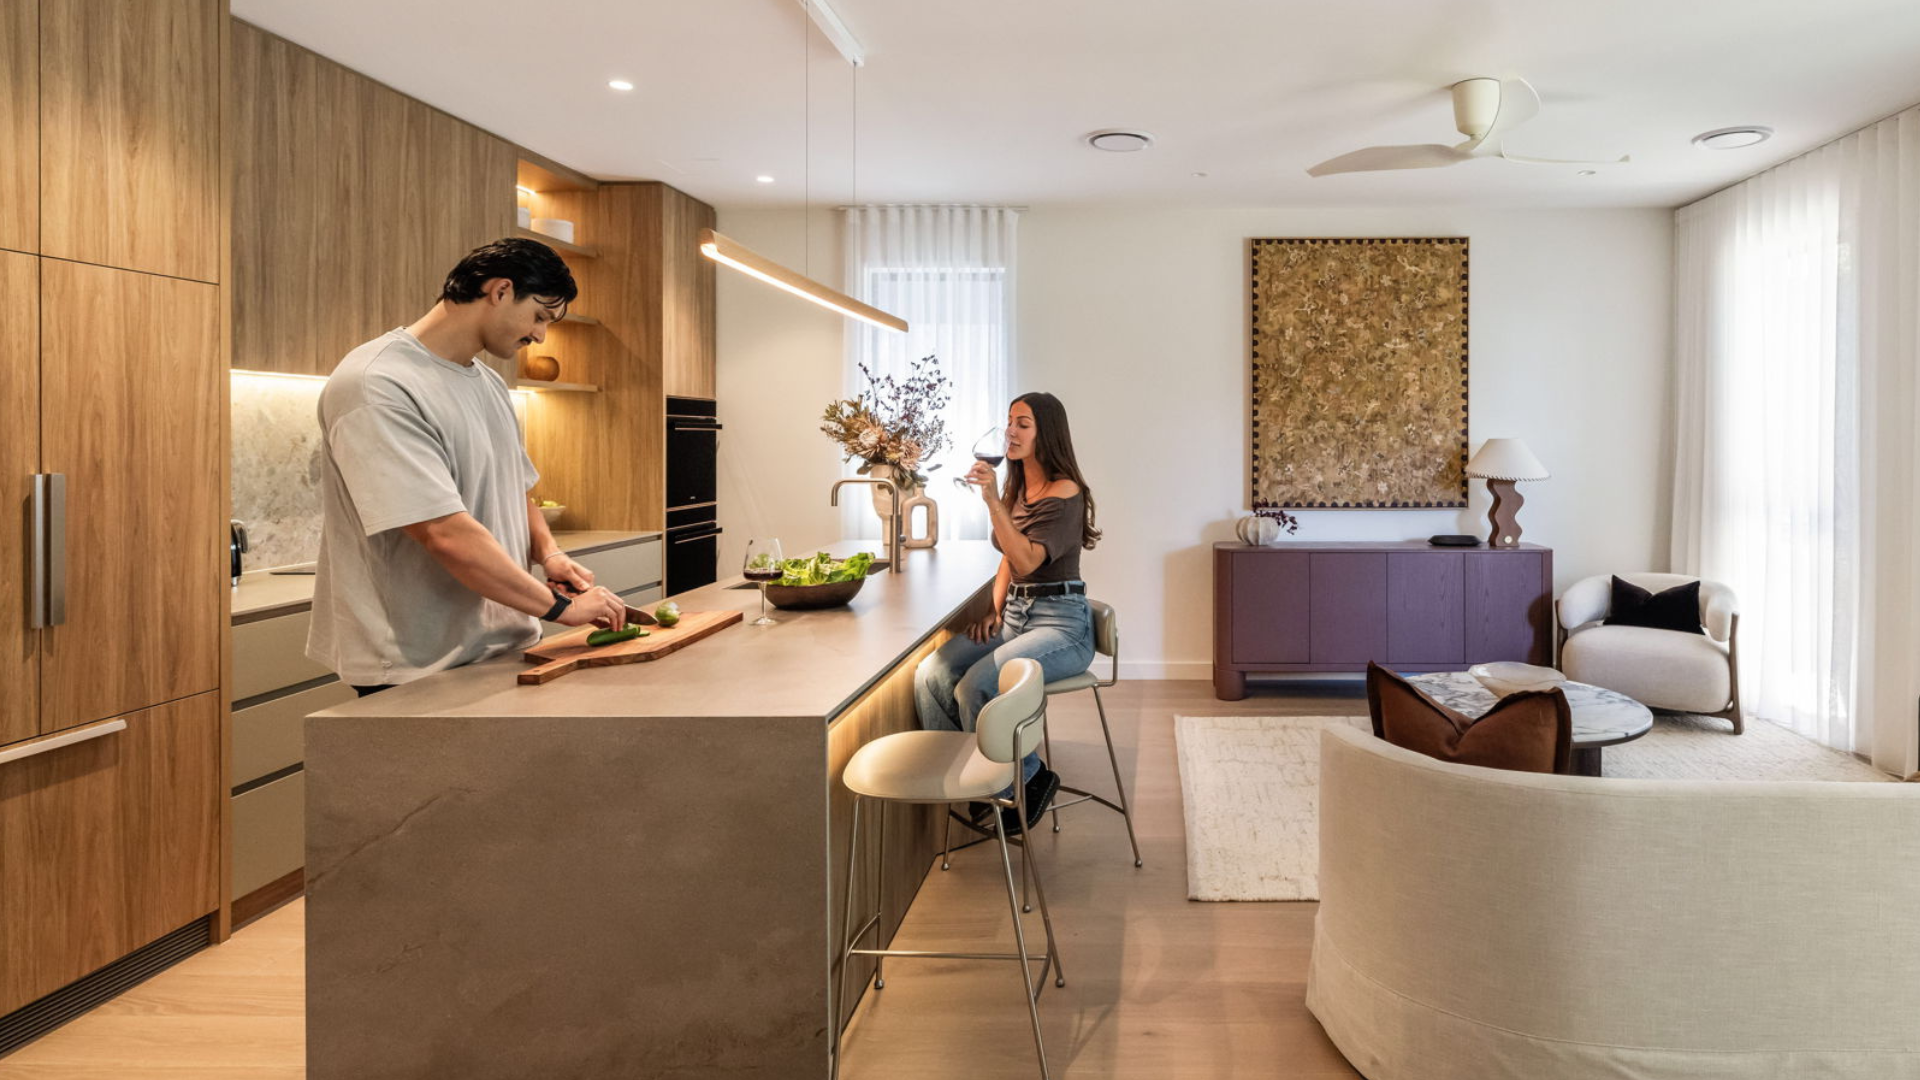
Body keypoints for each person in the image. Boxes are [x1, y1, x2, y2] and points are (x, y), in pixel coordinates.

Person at [307, 238, 627, 695]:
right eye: (539, 316)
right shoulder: (377, 383)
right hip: (416, 664)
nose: (540, 336)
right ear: (500, 291)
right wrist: (561, 608)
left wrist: (549, 553)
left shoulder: (489, 382)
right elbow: (443, 532)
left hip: (503, 646)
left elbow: (515, 489)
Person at [914, 391, 1101, 833]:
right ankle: (973, 780)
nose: (1011, 432)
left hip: (1062, 625)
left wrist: (992, 501)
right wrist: (995, 610)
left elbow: (1028, 560)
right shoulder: (1018, 489)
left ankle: (1028, 776)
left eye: (1023, 424)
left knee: (975, 686)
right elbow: (1007, 561)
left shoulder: (1065, 492)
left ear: (1046, 433)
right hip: (1017, 616)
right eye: (1010, 422)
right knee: (931, 674)